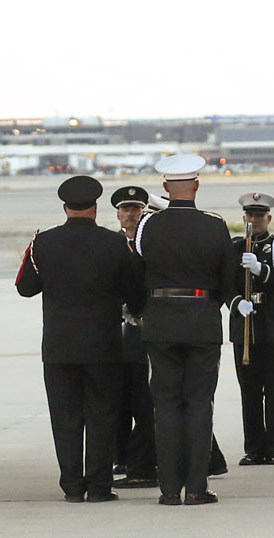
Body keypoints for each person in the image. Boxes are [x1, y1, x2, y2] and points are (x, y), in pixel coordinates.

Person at [14, 174, 142, 502]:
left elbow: (25, 288)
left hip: (59, 346)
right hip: (104, 344)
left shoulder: (43, 243)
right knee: (103, 415)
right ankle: (99, 487)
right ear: (96, 207)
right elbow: (136, 297)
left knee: (65, 418)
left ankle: (72, 486)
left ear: (65, 207)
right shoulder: (115, 244)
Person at [134, 153, 236, 506]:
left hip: (160, 321)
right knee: (198, 404)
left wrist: (144, 310)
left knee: (166, 406)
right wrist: (209, 306)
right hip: (202, 320)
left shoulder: (149, 225)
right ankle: (196, 488)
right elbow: (228, 278)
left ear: (165, 187)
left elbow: (138, 271)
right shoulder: (214, 224)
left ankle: (168, 489)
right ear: (196, 185)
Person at [228, 192, 274, 466]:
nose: (254, 220)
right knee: (250, 390)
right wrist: (235, 303)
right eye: (250, 215)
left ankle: (273, 446)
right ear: (244, 217)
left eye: (259, 215)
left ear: (269, 217)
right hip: (244, 324)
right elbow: (225, 283)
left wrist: (260, 269)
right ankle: (253, 448)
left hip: (273, 324)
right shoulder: (235, 246)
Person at [106, 185, 157, 488]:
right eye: (125, 210)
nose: (130, 214)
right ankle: (121, 455)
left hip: (145, 327)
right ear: (118, 214)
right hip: (121, 328)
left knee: (144, 397)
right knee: (120, 397)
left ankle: (142, 457)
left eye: (136, 209)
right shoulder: (112, 245)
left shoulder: (149, 245)